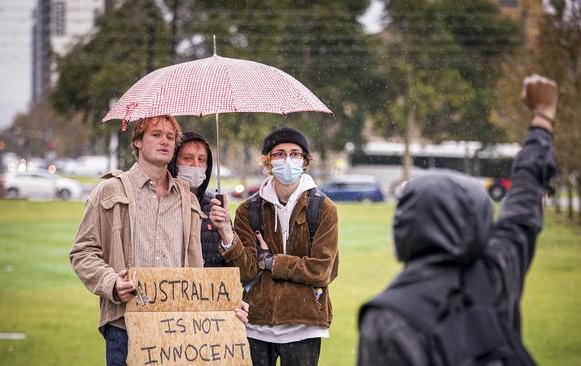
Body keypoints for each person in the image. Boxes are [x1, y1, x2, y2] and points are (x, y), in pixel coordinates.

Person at [357, 75, 559, 365]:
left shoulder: (388, 319)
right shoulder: (497, 273)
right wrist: (543, 117)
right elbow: (522, 206)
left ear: (405, 233)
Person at [70, 116, 208, 366]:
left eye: (170, 137)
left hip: (175, 329)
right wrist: (111, 282)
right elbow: (82, 252)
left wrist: (225, 303)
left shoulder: (188, 199)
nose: (165, 141)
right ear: (137, 141)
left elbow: (196, 266)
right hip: (125, 327)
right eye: (156, 135)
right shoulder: (110, 190)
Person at [212, 127, 339, 366]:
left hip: (304, 325)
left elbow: (321, 271)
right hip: (256, 326)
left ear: (305, 161)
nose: (288, 160)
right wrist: (227, 234)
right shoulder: (248, 210)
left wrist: (271, 262)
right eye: (279, 153)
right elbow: (247, 271)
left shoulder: (323, 209)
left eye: (295, 154)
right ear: (268, 161)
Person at [168, 131, 233, 267]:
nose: (196, 165)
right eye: (187, 158)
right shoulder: (163, 203)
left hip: (210, 286)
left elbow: (234, 267)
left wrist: (226, 230)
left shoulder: (216, 206)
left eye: (202, 159)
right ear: (174, 161)